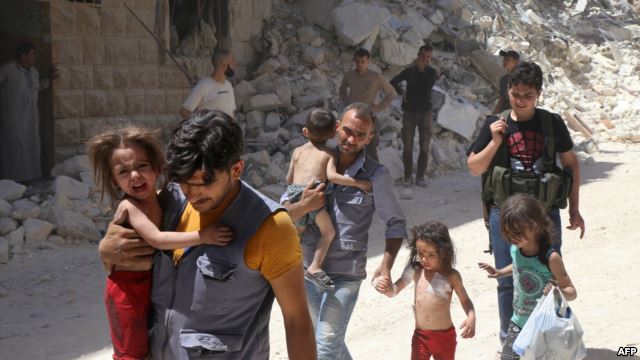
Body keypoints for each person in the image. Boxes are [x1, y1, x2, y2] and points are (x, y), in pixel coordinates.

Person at [98, 111, 316, 360]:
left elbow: (297, 319)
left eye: (203, 183)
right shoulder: (169, 200)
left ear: (236, 169)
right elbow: (124, 252)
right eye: (184, 182)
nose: (191, 194)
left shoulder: (271, 228)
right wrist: (107, 249)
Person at [87, 127, 234, 360]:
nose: (134, 175)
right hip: (127, 290)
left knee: (151, 343)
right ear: (115, 182)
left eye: (141, 166)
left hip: (152, 285)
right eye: (123, 172)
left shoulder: (163, 197)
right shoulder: (130, 207)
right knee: (131, 353)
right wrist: (203, 236)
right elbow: (156, 239)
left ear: (157, 167)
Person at [467, 61, 585, 347]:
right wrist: (496, 141)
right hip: (504, 214)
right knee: (506, 280)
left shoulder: (552, 123)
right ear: (508, 90)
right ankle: (510, 342)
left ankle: (547, 339)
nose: (520, 101)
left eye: (527, 95)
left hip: (544, 214)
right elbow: (474, 166)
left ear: (539, 94)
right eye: (515, 93)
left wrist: (575, 209)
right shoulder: (495, 123)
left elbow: (570, 165)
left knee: (548, 277)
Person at [282, 102, 407, 360]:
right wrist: (304, 205)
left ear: (370, 138)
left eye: (361, 135)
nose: (351, 139)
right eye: (347, 131)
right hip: (307, 269)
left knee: (326, 346)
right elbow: (283, 212)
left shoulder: (375, 175)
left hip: (345, 274)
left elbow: (395, 223)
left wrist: (386, 264)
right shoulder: (312, 158)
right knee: (325, 340)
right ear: (337, 127)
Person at [479, 193, 577, 360]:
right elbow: (519, 266)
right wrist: (500, 272)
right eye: (508, 233)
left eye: (518, 231)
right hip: (519, 321)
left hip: (545, 325)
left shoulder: (551, 258)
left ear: (536, 225)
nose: (512, 237)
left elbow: (571, 292)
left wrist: (556, 291)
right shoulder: (515, 249)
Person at [286, 108, 372, 289]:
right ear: (335, 132)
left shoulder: (297, 151)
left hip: (295, 194)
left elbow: (288, 179)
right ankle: (315, 266)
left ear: (305, 131)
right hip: (315, 195)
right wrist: (356, 182)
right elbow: (332, 177)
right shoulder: (329, 154)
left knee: (298, 233)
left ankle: (289, 266)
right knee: (329, 233)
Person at [375, 221, 476, 360]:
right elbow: (393, 291)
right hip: (420, 335)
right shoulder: (415, 270)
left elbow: (465, 300)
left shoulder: (451, 275)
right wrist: (382, 287)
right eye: (420, 252)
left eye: (431, 254)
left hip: (444, 337)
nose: (424, 259)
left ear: (444, 252)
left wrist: (471, 316)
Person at [0, 42, 57, 182]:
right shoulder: (7, 69)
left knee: (30, 150)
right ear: (22, 56)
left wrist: (49, 79)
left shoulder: (34, 72)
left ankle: (29, 181)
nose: (35, 57)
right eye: (32, 54)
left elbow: (37, 88)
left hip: (31, 121)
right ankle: (11, 184)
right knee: (13, 152)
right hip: (13, 120)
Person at [390, 44, 438, 188]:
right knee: (408, 146)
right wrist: (401, 92)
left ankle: (420, 177)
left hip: (425, 113)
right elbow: (392, 82)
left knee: (424, 147)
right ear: (418, 55)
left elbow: (428, 85)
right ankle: (407, 177)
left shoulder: (431, 72)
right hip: (409, 112)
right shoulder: (409, 71)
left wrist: (422, 69)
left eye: (428, 57)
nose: (425, 59)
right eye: (423, 56)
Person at [339, 48, 397, 161]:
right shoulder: (349, 75)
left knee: (371, 148)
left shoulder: (375, 77)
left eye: (363, 62)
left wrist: (379, 107)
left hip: (368, 117)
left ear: (368, 61)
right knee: (350, 146)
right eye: (357, 62)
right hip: (352, 117)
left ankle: (375, 175)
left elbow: (391, 93)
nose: (360, 64)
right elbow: (342, 89)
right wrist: (346, 103)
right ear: (354, 61)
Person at [179, 50, 236, 119]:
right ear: (224, 64)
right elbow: (183, 111)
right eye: (232, 60)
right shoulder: (204, 85)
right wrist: (203, 124)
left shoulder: (229, 85)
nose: (234, 64)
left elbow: (231, 112)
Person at [493, 49, 520, 114]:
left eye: (508, 59)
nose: (504, 61)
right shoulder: (503, 80)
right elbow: (501, 100)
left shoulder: (521, 79)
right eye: (504, 59)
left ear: (516, 62)